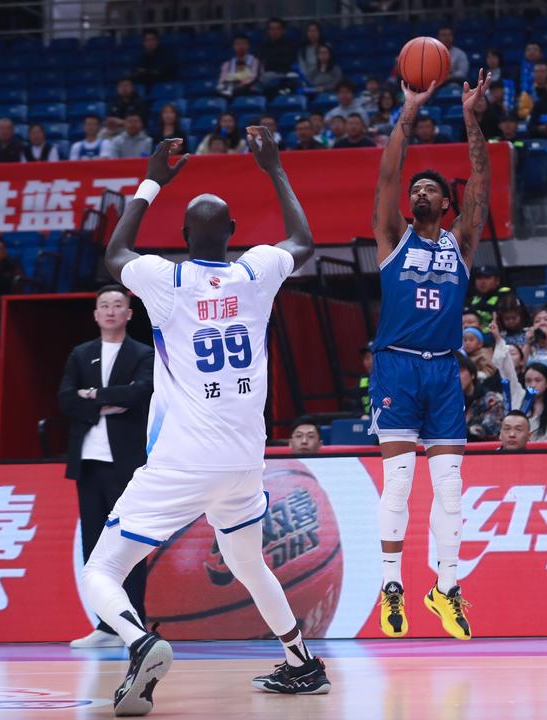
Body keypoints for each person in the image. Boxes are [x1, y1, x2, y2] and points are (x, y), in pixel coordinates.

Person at [88, 132, 327, 709]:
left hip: (183, 461)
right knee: (248, 562)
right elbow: (303, 240)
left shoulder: (166, 281)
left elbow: (114, 255)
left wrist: (152, 180)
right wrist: (274, 168)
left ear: (181, 237)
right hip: (244, 462)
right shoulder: (256, 274)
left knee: (101, 571)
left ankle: (141, 642)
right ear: (234, 232)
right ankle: (302, 663)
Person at [369, 70, 490, 642]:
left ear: (446, 203)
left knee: (450, 488)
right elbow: (388, 174)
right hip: (396, 364)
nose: (419, 192)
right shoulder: (393, 236)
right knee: (398, 482)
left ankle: (447, 587)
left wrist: (470, 118)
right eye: (415, 189)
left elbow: (482, 178)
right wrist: (410, 110)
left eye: (430, 189)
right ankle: (391, 584)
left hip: (442, 368)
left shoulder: (460, 242)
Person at [58, 285, 154, 649]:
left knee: (128, 543)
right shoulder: (81, 354)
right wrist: (108, 402)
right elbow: (66, 399)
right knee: (94, 545)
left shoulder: (142, 353)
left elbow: (140, 392)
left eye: (118, 305)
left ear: (129, 313)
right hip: (88, 461)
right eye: (104, 305)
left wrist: (94, 395)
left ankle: (134, 622)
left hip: (127, 462)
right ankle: (107, 625)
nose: (111, 311)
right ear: (96, 314)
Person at [458, 352, 505, 441]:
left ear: (472, 375)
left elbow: (489, 429)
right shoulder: (450, 401)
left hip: (484, 447)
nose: (457, 377)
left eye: (460, 371)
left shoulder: (490, 399)